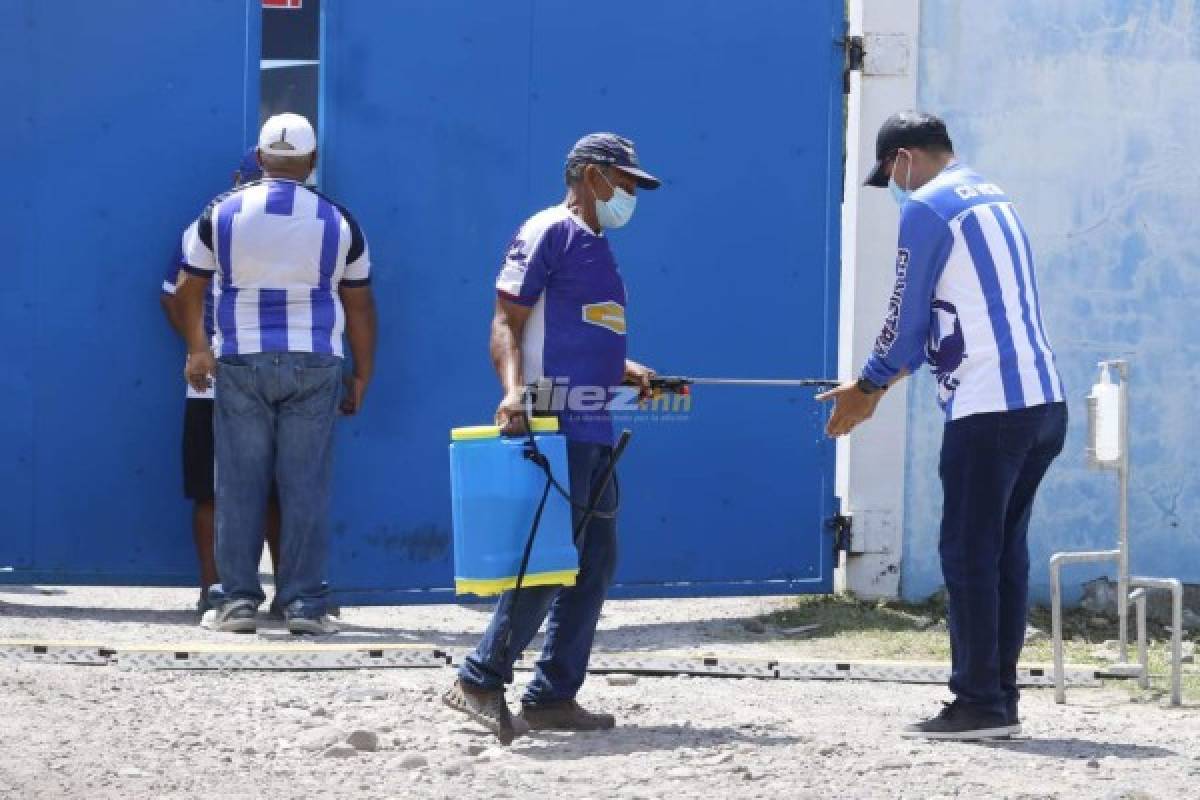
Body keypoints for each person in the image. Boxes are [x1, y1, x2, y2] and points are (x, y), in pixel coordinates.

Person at [818, 111, 1066, 740]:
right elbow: (942, 327)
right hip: (1042, 406)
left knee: (966, 554)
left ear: (905, 158)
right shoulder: (991, 194)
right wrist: (877, 384)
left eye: (889, 175)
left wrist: (867, 385)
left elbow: (903, 320)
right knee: (1003, 554)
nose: (893, 187)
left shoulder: (926, 207)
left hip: (990, 411)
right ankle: (1000, 697)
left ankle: (979, 702)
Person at [442, 133, 660, 744]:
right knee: (549, 560)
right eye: (624, 182)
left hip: (594, 420)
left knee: (594, 562)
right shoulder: (547, 231)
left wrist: (623, 366)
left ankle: (551, 696)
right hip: (554, 419)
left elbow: (579, 326)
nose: (630, 195)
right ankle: (479, 679)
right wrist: (513, 392)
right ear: (591, 175)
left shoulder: (597, 243)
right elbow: (506, 321)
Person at [177, 113, 376, 635]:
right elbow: (359, 308)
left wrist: (198, 351)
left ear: (261, 158)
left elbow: (187, 289)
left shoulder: (218, 214)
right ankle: (304, 604)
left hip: (240, 360)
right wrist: (362, 375)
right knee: (304, 485)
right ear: (312, 162)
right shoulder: (340, 221)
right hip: (316, 363)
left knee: (238, 484)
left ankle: (236, 601)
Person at [160, 150, 281, 614]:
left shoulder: (206, 223)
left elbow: (172, 297)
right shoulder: (306, 225)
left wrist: (199, 347)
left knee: (226, 491)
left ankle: (222, 590)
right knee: (267, 491)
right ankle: (263, 592)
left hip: (223, 380)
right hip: (257, 379)